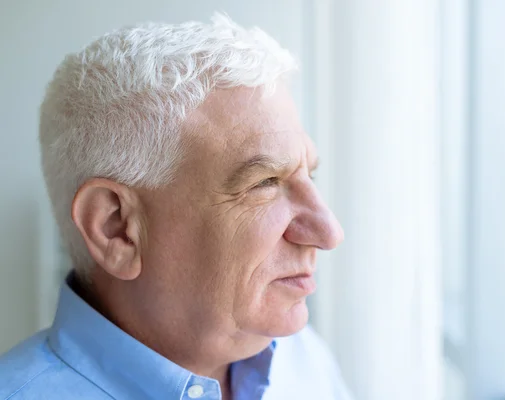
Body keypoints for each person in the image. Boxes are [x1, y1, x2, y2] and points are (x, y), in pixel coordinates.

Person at [0, 13, 351, 400]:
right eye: (264, 183)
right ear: (117, 229)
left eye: (309, 176)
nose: (328, 232)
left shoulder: (302, 358)